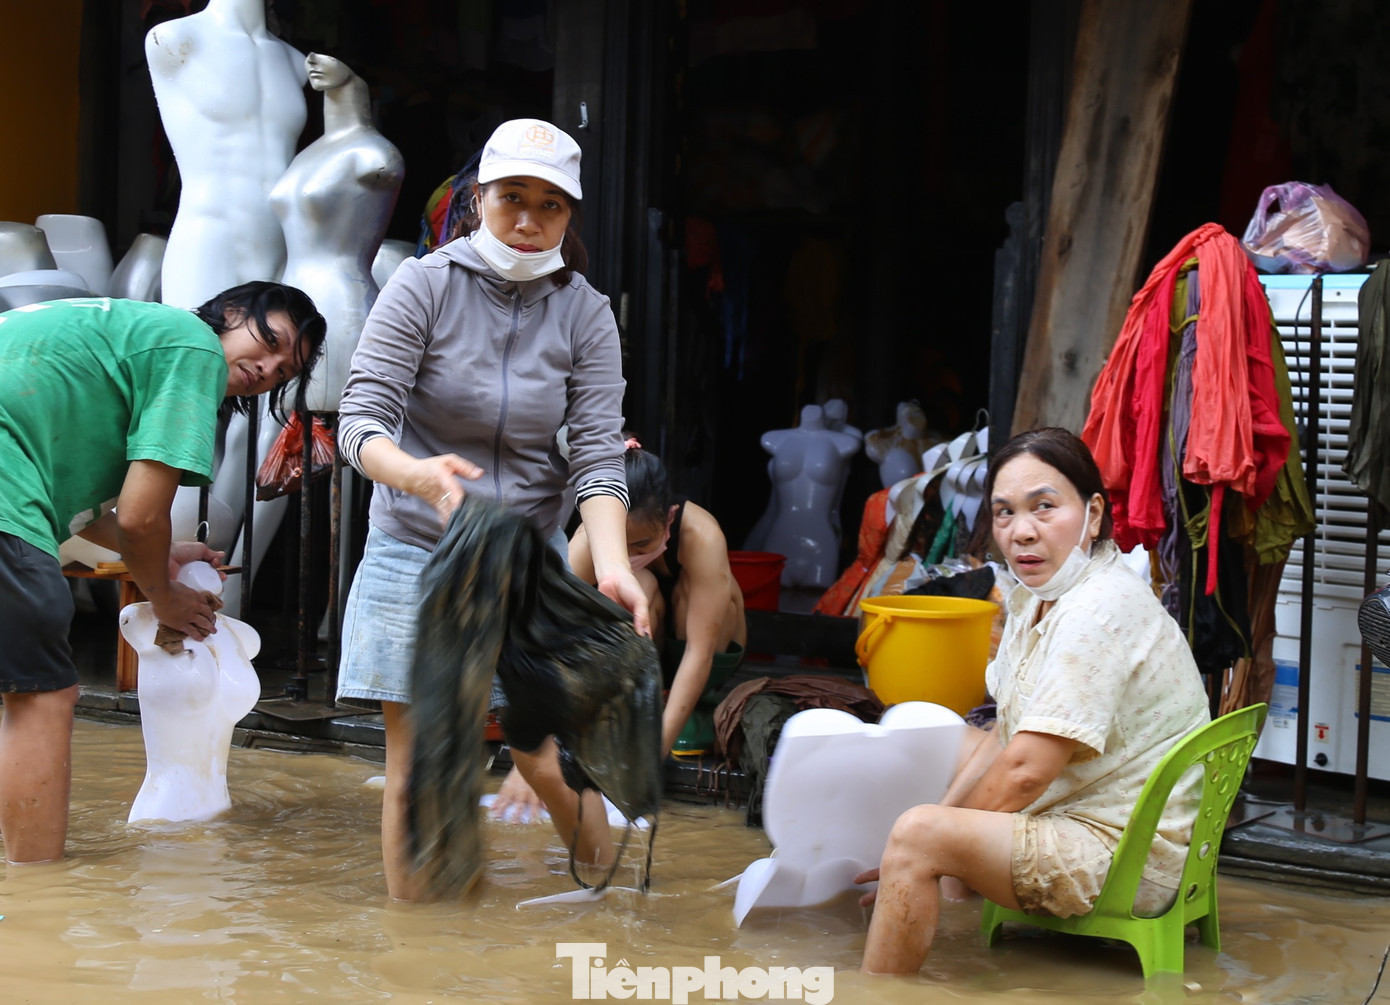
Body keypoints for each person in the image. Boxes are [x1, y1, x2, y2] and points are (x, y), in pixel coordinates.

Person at [335, 118, 649, 901]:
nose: (528, 220)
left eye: (550, 204)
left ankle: (608, 903)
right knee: (422, 761)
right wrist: (418, 476)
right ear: (479, 198)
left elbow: (599, 455)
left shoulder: (586, 312)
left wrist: (613, 567)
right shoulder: (422, 285)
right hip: (415, 546)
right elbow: (360, 423)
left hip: (527, 560)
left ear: (569, 215)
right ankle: (420, 947)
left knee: (541, 753)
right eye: (513, 197)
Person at [855, 427, 1210, 975]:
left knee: (918, 834)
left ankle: (878, 989)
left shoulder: (1094, 610)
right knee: (943, 745)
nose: (1021, 531)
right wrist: (946, 826)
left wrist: (926, 844)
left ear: (1093, 514)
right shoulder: (1040, 596)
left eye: (1044, 507)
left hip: (1126, 858)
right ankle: (935, 885)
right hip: (1107, 812)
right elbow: (1005, 731)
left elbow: (1025, 771)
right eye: (1004, 512)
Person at [0, 282, 327, 864]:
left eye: (285, 371)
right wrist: (165, 594)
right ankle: (37, 888)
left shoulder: (137, 336)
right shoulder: (193, 349)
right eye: (271, 341)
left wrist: (164, 553)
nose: (268, 369)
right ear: (231, 313)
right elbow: (140, 515)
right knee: (42, 696)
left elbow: (98, 515)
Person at [494, 438, 746, 824]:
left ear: (670, 518)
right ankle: (632, 702)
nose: (627, 555)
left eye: (641, 543)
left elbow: (699, 652)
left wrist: (647, 759)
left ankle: (680, 713)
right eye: (619, 544)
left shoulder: (702, 535)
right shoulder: (589, 538)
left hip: (701, 647)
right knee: (635, 586)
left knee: (709, 599)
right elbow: (548, 639)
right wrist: (529, 758)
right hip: (640, 651)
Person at [145, 0, 307, 310]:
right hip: (210, 237)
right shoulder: (174, 39)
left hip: (281, 243)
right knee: (198, 340)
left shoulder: (294, 61)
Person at [270, 52, 405, 413]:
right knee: (279, 423)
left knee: (337, 422)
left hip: (339, 301)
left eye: (327, 53)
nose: (312, 58)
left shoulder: (375, 155)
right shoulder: (308, 154)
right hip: (288, 294)